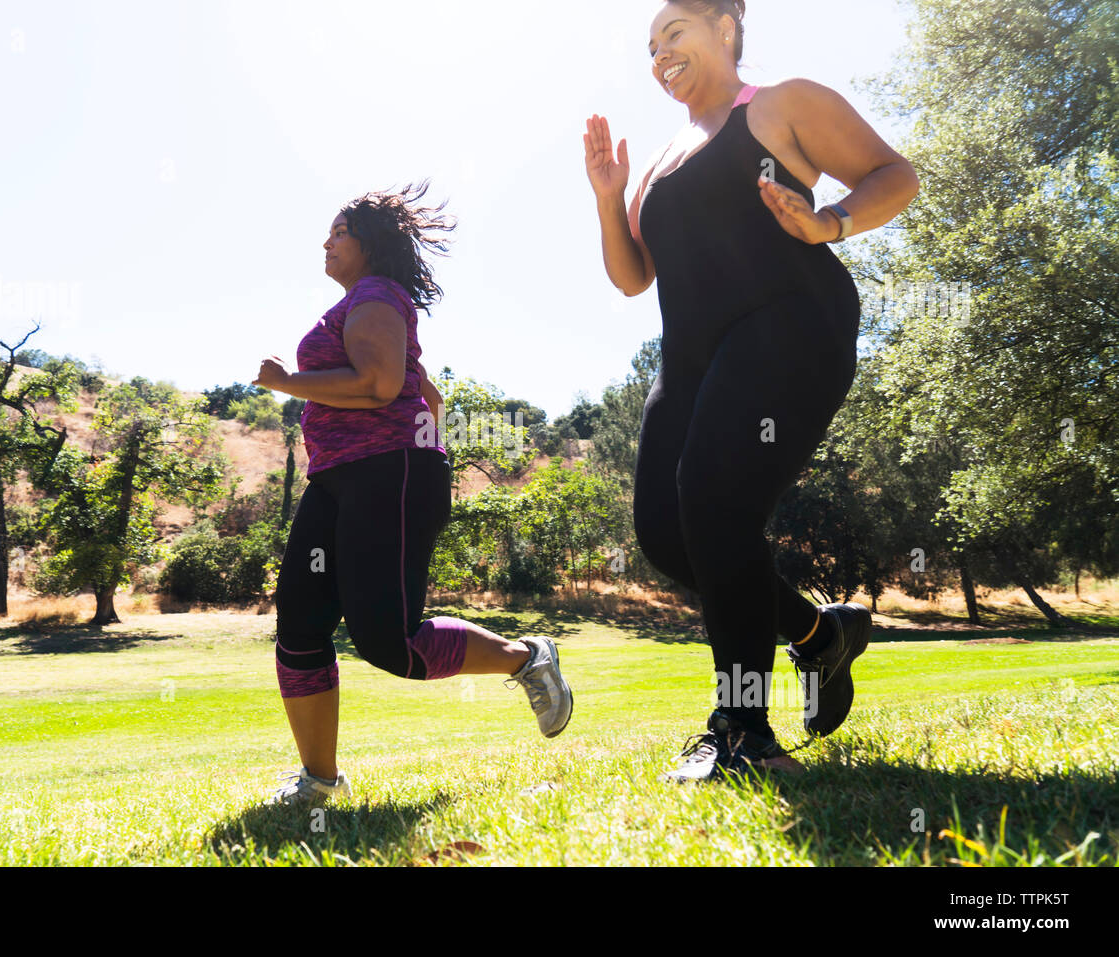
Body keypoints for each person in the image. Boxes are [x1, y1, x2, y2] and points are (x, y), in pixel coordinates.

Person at [583, 1, 918, 780]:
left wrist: (828, 220)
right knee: (669, 533)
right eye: (650, 46)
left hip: (790, 324)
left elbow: (894, 175)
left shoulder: (777, 105)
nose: (660, 54)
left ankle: (741, 732)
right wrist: (609, 193)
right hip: (692, 357)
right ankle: (818, 635)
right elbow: (633, 279)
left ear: (725, 28)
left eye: (675, 33)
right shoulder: (663, 163)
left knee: (714, 501)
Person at [252, 182, 573, 805]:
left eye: (339, 231)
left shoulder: (376, 294)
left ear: (368, 243)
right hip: (342, 474)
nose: (327, 241)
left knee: (389, 641)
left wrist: (290, 383)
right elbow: (417, 390)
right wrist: (420, 412)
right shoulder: (366, 304)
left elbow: (376, 384)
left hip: (385, 472)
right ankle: (319, 782)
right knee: (300, 620)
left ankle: (527, 658)